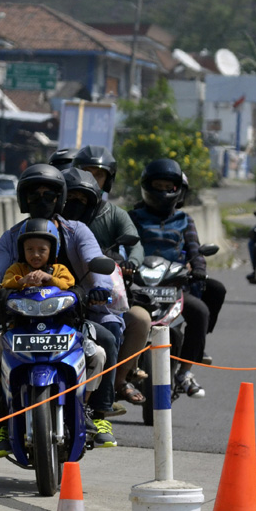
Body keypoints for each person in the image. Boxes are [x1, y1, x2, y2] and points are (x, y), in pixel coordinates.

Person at [0, 164, 122, 456]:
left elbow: (95, 261)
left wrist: (100, 288)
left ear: (61, 198)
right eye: (34, 194)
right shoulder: (11, 236)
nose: (41, 200)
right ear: (22, 199)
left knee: (106, 337)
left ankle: (100, 414)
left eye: (49, 194)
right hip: (19, 314)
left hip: (74, 310)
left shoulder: (77, 231)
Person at [129, 159, 226, 398]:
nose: (163, 191)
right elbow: (124, 245)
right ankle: (118, 372)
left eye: (168, 187)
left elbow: (195, 249)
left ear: (177, 190)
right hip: (138, 287)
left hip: (174, 285)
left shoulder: (185, 220)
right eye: (158, 185)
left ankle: (186, 370)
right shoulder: (133, 217)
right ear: (147, 187)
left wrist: (199, 268)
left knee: (205, 306)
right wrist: (122, 264)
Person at [62, 166, 151, 409]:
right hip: (55, 299)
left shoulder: (103, 220)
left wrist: (128, 264)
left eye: (98, 174)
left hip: (101, 297)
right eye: (70, 197)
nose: (75, 203)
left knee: (127, 325)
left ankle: (113, 387)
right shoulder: (49, 225)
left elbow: (100, 259)